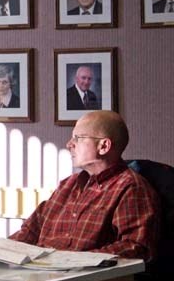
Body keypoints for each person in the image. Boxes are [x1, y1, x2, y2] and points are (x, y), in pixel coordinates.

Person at [9, 111, 160, 261]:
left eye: (77, 138)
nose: (69, 144)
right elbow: (29, 231)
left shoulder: (130, 188)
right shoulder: (68, 185)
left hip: (86, 280)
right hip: (40, 274)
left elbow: (136, 247)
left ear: (104, 146)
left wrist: (76, 260)